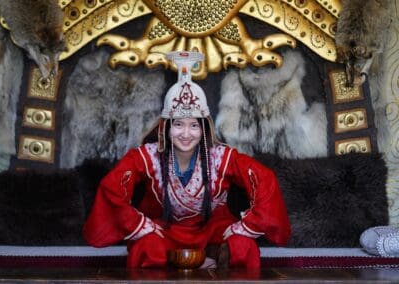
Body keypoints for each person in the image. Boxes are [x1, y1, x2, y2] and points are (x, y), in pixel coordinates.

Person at [83, 51, 291, 269]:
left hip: (213, 231)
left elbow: (265, 179)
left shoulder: (221, 158)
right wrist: (139, 224)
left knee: (242, 245)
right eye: (178, 124)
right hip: (165, 231)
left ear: (204, 129)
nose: (186, 133)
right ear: (166, 127)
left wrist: (246, 225)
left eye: (194, 125)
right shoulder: (146, 157)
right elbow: (111, 189)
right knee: (147, 246)